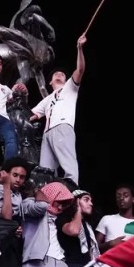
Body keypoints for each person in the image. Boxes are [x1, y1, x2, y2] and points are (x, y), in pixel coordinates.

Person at [28, 33, 86, 185]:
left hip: (62, 126)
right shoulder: (47, 99)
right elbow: (31, 115)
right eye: (56, 74)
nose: (59, 75)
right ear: (50, 82)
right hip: (47, 134)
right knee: (45, 170)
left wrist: (79, 48)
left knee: (68, 163)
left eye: (62, 74)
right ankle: (47, 198)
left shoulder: (70, 88)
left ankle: (74, 190)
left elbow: (79, 70)